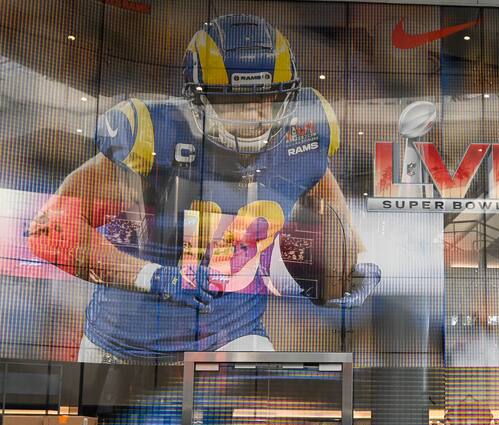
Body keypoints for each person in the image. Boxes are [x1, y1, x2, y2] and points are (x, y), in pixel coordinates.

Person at [27, 14, 380, 363]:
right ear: (200, 99)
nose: (257, 114)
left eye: (268, 97)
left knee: (261, 403)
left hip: (233, 336)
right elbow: (48, 229)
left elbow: (328, 210)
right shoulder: (153, 136)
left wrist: (355, 264)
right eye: (237, 100)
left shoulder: (303, 139)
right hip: (124, 348)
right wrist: (152, 277)